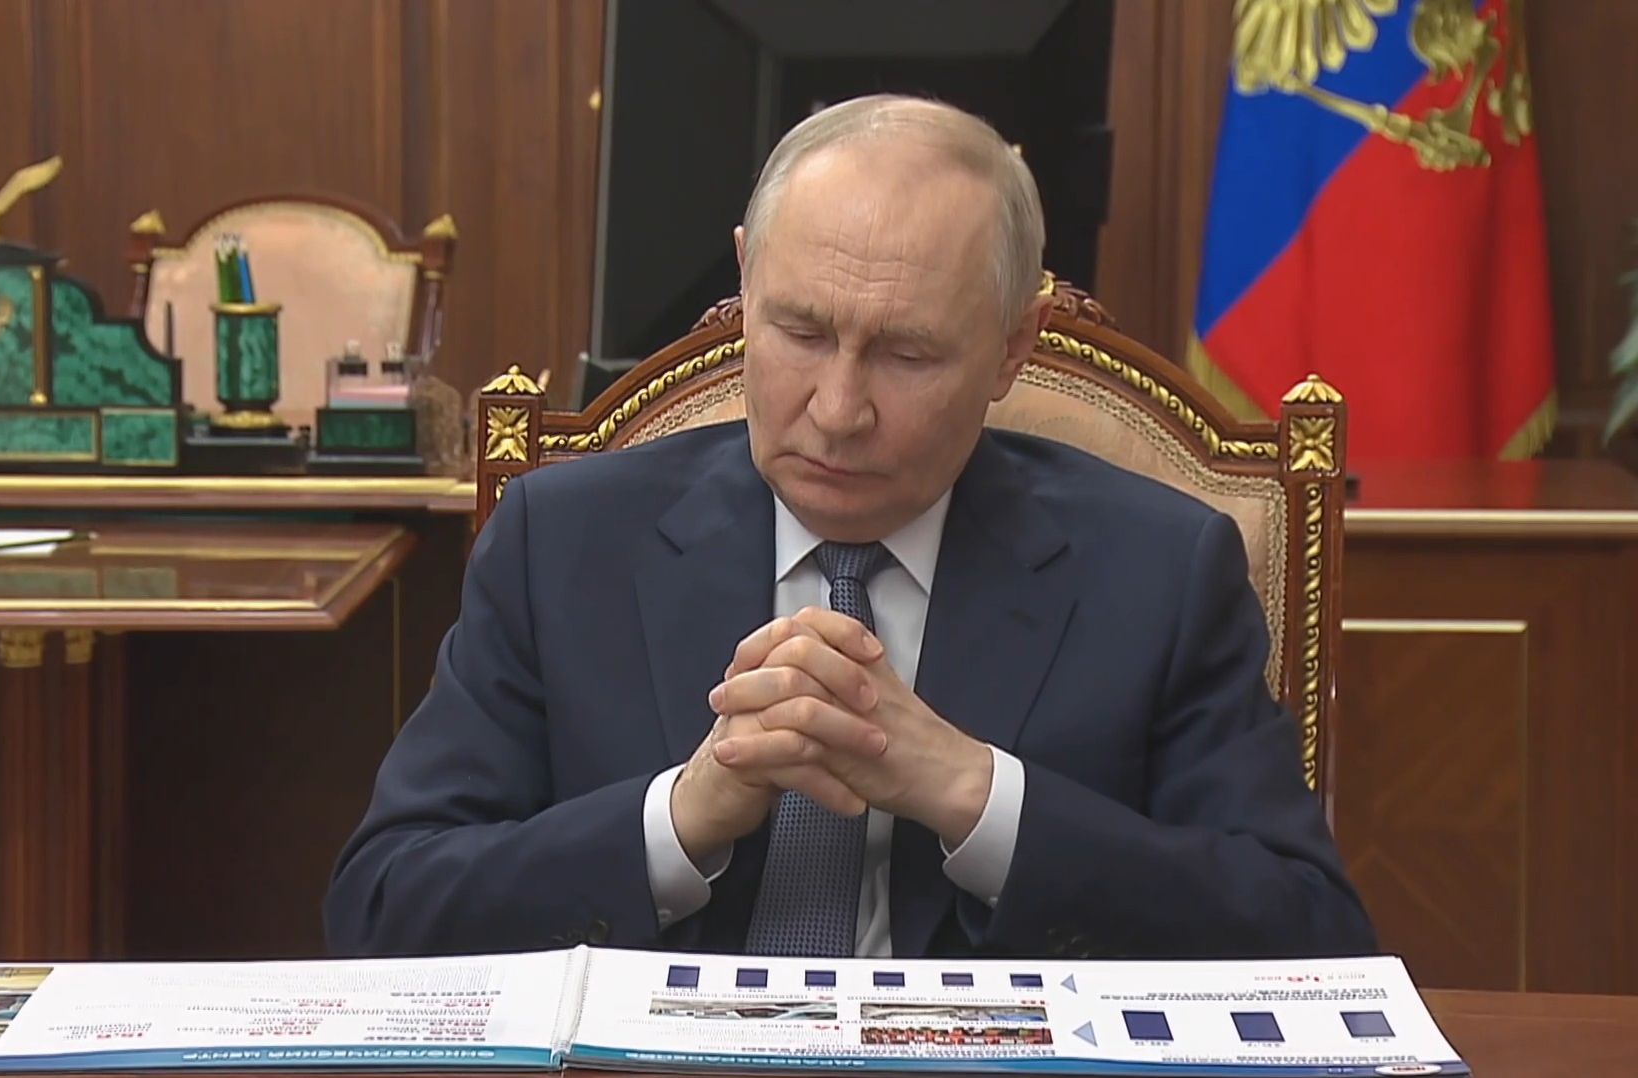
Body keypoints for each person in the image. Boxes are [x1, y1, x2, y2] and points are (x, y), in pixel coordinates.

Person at [325, 94, 1375, 960]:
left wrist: (977, 797)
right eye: (800, 330)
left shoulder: (1158, 570)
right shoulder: (561, 543)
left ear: (1013, 349)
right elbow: (381, 909)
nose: (837, 410)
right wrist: (678, 820)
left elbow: (1308, 935)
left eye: (907, 355)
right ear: (745, 281)